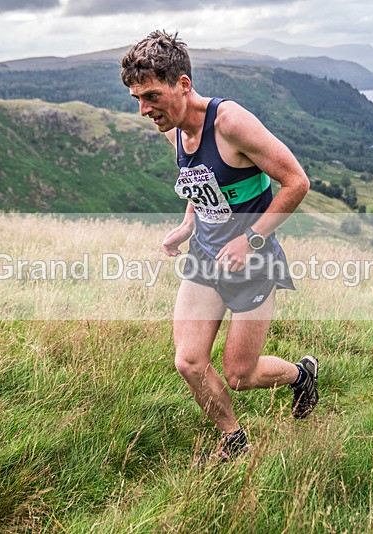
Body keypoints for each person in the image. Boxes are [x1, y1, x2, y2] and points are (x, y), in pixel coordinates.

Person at [120, 30, 319, 461]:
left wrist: (250, 240)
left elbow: (296, 182)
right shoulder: (172, 128)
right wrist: (187, 224)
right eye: (137, 98)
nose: (144, 109)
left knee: (240, 374)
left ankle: (302, 375)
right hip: (204, 261)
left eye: (152, 95)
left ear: (183, 84)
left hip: (254, 263)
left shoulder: (229, 122)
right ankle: (234, 439)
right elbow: (201, 184)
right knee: (189, 362)